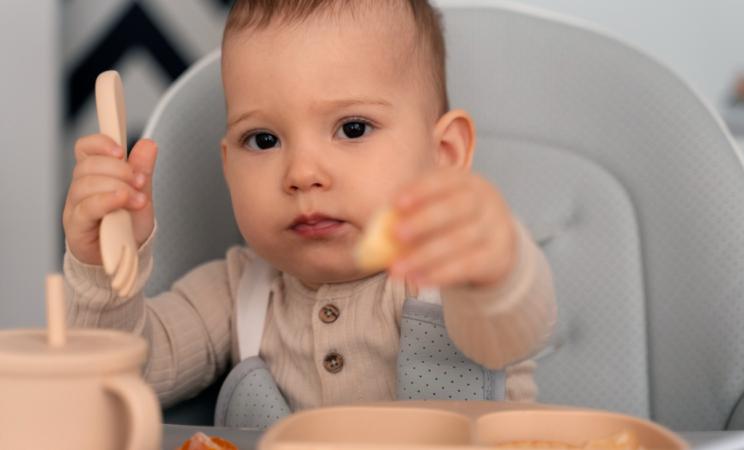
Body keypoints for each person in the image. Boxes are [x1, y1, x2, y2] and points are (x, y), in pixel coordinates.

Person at [62, 0, 557, 413]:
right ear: (229, 167)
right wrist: (105, 273)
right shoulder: (237, 293)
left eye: (353, 128)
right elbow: (118, 381)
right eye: (263, 139)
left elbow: (511, 330)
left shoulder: (446, 273)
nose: (302, 174)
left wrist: (496, 264)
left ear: (444, 155)